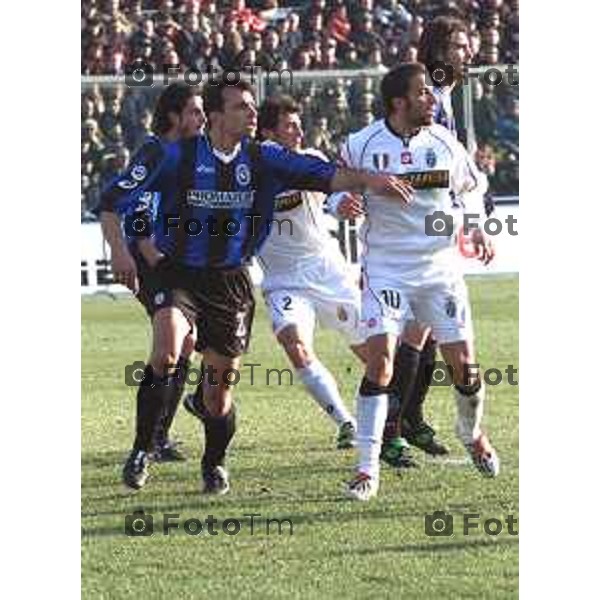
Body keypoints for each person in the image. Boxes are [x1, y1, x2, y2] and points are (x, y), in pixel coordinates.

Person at [100, 77, 413, 495]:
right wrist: (120, 251)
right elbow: (110, 201)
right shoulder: (174, 156)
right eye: (241, 107)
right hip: (179, 274)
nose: (252, 113)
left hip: (231, 283)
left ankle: (214, 462)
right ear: (215, 115)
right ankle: (142, 449)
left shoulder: (264, 159)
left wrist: (371, 180)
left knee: (217, 397)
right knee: (168, 349)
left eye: (252, 106)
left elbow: (325, 174)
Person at [339, 63, 500, 501]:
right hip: (386, 267)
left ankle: (472, 434)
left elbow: (469, 188)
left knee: (465, 367)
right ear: (399, 102)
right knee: (381, 362)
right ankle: (366, 468)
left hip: (439, 268)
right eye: (423, 93)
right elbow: (336, 185)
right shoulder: (361, 144)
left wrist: (477, 225)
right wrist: (344, 202)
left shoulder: (444, 141)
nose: (431, 98)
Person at [255, 95, 366, 449]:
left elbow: (330, 193)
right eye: (289, 125)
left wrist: (341, 203)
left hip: (328, 273)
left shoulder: (310, 160)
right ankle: (345, 422)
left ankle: (396, 420)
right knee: (293, 342)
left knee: (373, 353)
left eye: (298, 122)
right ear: (268, 133)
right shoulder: (249, 173)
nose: (299, 130)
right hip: (283, 281)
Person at [109, 82, 206, 464]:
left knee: (185, 343)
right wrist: (145, 250)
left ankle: (158, 438)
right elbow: (132, 202)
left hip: (172, 259)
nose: (200, 118)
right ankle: (148, 442)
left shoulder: (185, 153)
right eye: (195, 112)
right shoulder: (154, 150)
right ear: (174, 117)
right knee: (171, 345)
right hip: (152, 261)